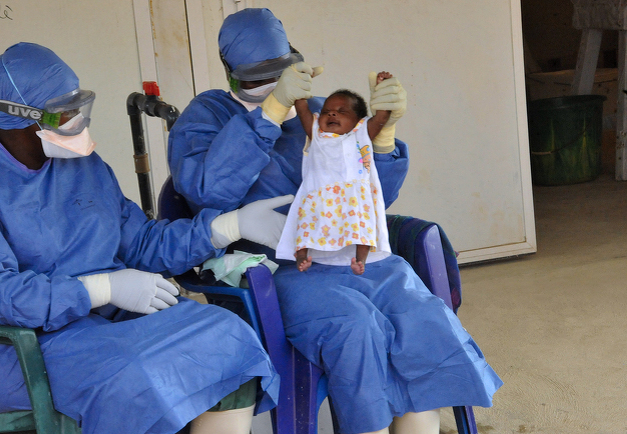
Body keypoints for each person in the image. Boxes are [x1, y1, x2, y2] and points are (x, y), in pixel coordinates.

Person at [0, 42, 294, 434]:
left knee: (228, 335)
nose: (79, 120)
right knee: (134, 376)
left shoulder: (84, 165)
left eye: (80, 105)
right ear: (22, 119)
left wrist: (226, 227)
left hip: (105, 324)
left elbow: (141, 243)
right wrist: (99, 288)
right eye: (65, 112)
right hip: (17, 345)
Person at [168, 8, 502, 434]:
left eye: (281, 70)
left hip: (352, 258)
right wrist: (268, 113)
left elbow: (370, 197)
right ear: (231, 75)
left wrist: (381, 138)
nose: (273, 83)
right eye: (257, 77)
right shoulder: (206, 116)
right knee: (355, 327)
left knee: (420, 317)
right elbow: (206, 191)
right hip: (276, 271)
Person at [277, 74, 395, 274]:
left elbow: (382, 116)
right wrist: (299, 87)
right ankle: (302, 257)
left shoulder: (361, 133)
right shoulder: (316, 132)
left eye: (341, 111)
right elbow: (303, 110)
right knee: (306, 225)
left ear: (358, 120)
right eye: (327, 112)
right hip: (319, 195)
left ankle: (360, 260)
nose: (332, 115)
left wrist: (382, 89)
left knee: (361, 227)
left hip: (354, 198)